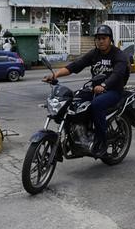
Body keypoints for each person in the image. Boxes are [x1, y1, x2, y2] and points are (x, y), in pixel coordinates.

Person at [43, 24, 130, 158]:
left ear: (110, 40)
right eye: (98, 38)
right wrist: (55, 75)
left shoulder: (118, 55)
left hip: (113, 90)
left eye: (104, 38)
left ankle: (101, 141)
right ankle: (75, 135)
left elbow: (117, 74)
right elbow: (75, 66)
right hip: (94, 89)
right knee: (72, 100)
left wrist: (104, 85)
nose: (101, 41)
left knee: (97, 105)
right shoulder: (94, 53)